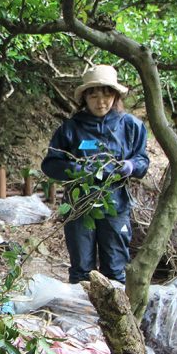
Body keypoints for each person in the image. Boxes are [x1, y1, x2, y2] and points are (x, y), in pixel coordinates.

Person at [41, 65, 149, 284]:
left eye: (107, 94)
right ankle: (80, 315)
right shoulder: (71, 128)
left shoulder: (130, 126)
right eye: (94, 95)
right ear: (85, 98)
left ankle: (114, 316)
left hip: (115, 205)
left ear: (116, 95)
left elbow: (142, 161)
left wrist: (130, 165)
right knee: (81, 269)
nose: (101, 102)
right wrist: (77, 170)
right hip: (79, 206)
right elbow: (50, 164)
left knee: (115, 268)